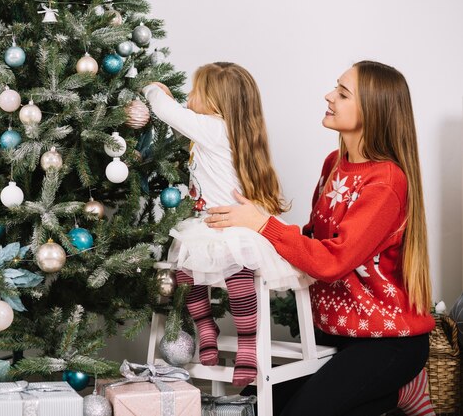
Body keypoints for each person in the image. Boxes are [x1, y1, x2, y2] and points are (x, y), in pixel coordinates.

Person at [205, 60, 435, 416]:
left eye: (343, 93)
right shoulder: (334, 164)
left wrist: (264, 224)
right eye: (335, 88)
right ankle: (394, 396)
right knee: (262, 405)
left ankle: (398, 385)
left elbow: (331, 261)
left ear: (372, 110)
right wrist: (248, 228)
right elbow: (313, 239)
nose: (329, 96)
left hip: (388, 341)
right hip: (335, 332)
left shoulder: (386, 182)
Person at [142, 62, 306, 386]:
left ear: (215, 101)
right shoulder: (226, 129)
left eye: (195, 91)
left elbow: (167, 111)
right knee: (187, 274)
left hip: (230, 228)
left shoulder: (214, 127)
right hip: (207, 226)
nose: (189, 96)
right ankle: (206, 328)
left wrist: (154, 90)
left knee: (238, 278)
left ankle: (247, 345)